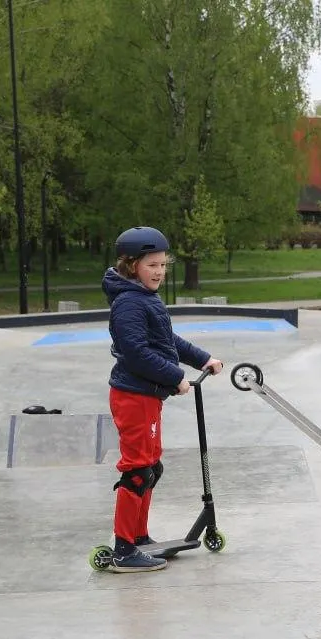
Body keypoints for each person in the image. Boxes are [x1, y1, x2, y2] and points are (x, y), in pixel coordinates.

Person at [102, 226, 223, 572]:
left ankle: (138, 537)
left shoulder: (144, 298)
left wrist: (203, 359)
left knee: (151, 467)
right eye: (151, 265)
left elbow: (168, 340)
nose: (159, 271)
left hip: (147, 396)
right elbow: (137, 354)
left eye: (162, 265)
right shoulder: (128, 303)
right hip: (133, 396)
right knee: (137, 470)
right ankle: (123, 549)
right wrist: (176, 378)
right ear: (131, 265)